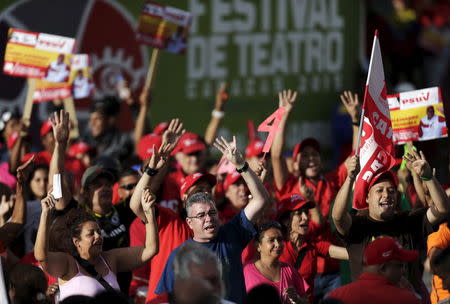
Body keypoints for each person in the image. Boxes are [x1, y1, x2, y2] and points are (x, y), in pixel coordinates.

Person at [155, 136, 270, 304]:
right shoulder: (179, 256)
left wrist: (241, 165)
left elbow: (261, 199)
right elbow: (166, 298)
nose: (209, 219)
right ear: (189, 223)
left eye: (212, 213)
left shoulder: (231, 233)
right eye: (201, 216)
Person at [332, 149, 449, 300]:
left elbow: (443, 208)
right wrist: (349, 178)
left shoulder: (409, 221)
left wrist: (428, 177)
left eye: (391, 191)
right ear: (367, 198)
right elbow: (338, 216)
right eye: (379, 191)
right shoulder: (358, 226)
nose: (386, 195)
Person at [34, 186, 159, 301]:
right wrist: (45, 213)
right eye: (91, 234)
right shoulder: (68, 264)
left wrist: (149, 211)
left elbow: (150, 249)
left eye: (99, 232)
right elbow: (41, 256)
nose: (98, 236)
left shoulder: (110, 259)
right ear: (76, 241)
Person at [277, 194, 348, 302]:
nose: (305, 217)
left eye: (306, 212)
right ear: (286, 221)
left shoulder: (313, 246)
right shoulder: (276, 247)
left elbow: (349, 254)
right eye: (299, 213)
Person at [326, 237, 420, 304]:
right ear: (383, 268)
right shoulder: (406, 299)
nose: (403, 271)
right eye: (399, 266)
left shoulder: (336, 296)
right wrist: (413, 295)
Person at [244, 221, 309, 304]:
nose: (277, 244)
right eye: (271, 240)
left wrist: (297, 299)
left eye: (280, 239)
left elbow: (306, 301)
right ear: (258, 246)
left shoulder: (289, 270)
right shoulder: (246, 271)